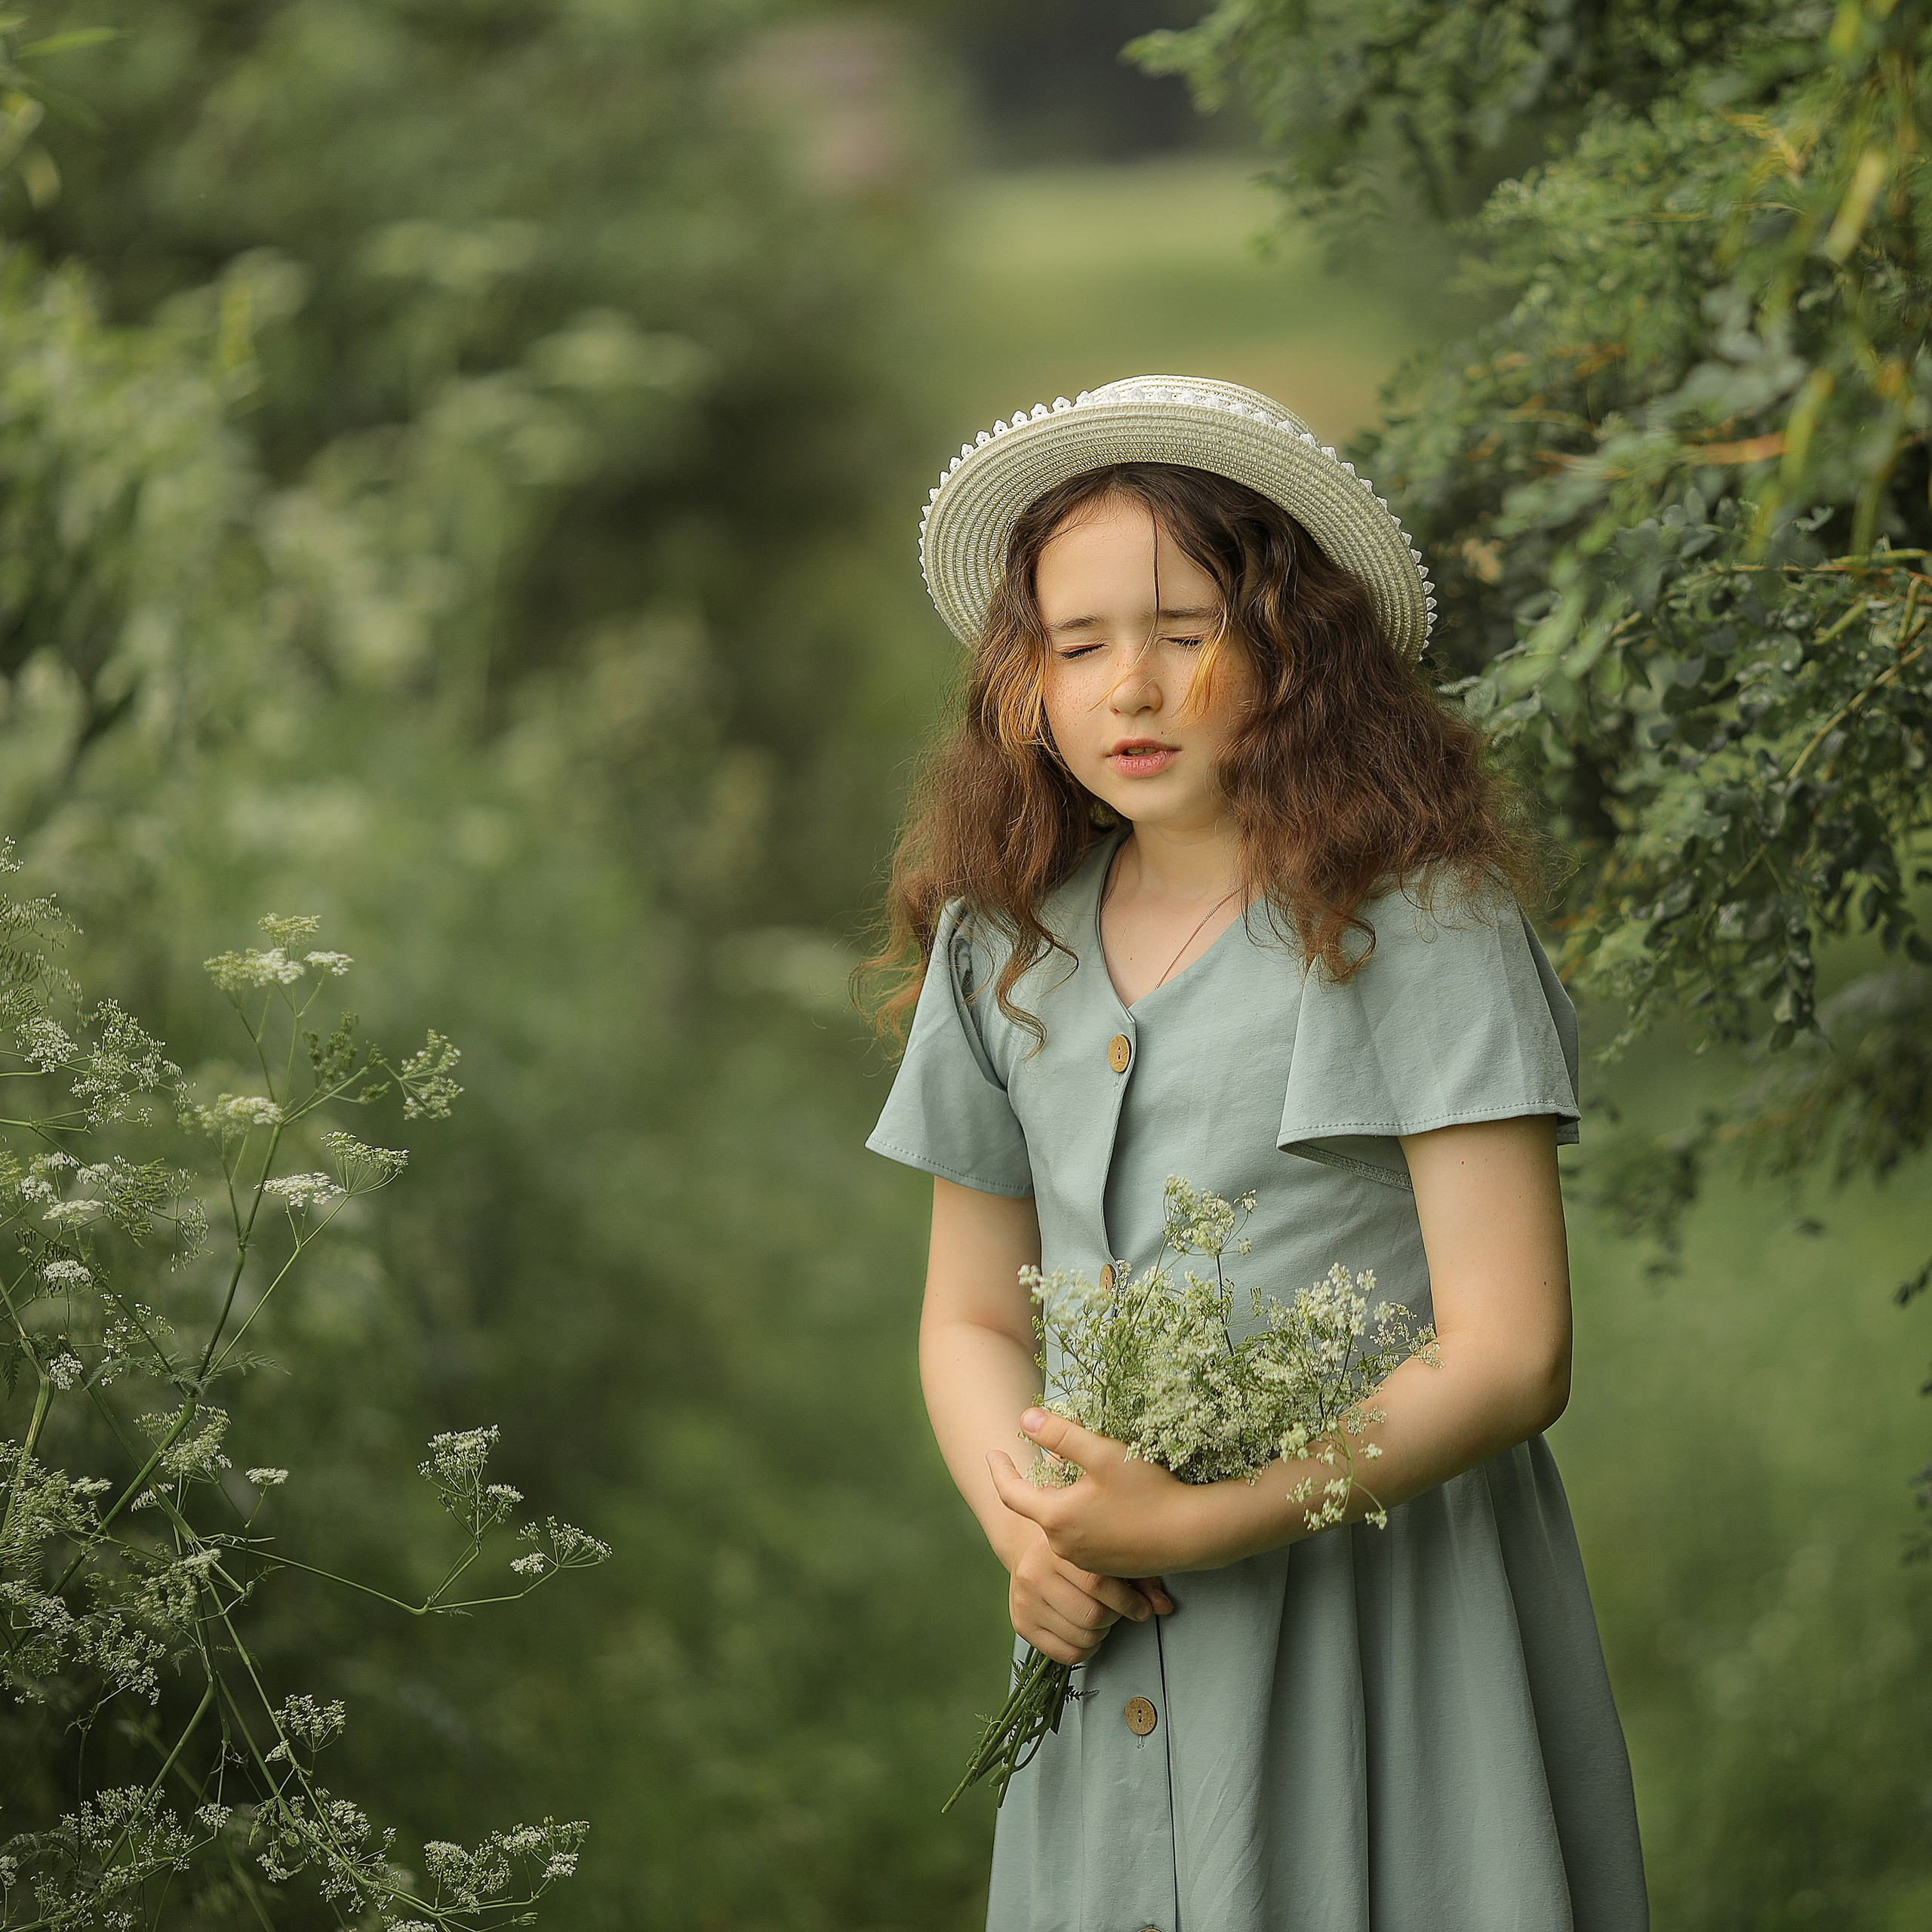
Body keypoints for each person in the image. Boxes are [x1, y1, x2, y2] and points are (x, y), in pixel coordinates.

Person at [860, 376, 1647, 1932]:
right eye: (1076, 646)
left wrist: (1207, 1516)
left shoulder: (1413, 923)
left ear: (1294, 644)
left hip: (1382, 1610)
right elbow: (967, 1317)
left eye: (1185, 629)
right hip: (1111, 1626)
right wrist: (1032, 1528)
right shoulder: (1000, 940)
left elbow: (1512, 1348)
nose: (1128, 688)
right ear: (1023, 680)